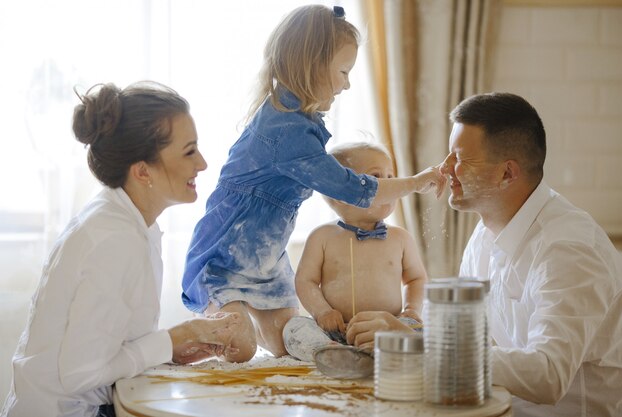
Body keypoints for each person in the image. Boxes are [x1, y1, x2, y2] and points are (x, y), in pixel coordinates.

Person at [181, 4, 445, 363]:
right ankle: (176, 343)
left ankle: (237, 318)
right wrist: (417, 181)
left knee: (286, 344)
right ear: (313, 66)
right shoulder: (285, 130)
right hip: (228, 255)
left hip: (265, 261)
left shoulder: (300, 120)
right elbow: (356, 189)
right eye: (342, 71)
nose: (347, 83)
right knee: (240, 347)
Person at [347, 92, 622, 417]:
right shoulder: (484, 234)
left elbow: (549, 375)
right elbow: (473, 341)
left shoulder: (570, 248)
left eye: (460, 158)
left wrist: (416, 344)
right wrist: (405, 329)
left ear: (507, 173)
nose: (444, 169)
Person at [1, 82, 241, 417]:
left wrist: (170, 349)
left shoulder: (127, 222)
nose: (201, 164)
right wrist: (171, 340)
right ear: (143, 171)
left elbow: (105, 349)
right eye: (189, 151)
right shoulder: (114, 239)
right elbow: (80, 374)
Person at [282, 142, 426, 361]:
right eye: (377, 178)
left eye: (391, 177)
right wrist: (322, 312)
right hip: (335, 330)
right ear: (341, 192)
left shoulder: (401, 238)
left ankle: (377, 350)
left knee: (421, 332)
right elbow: (306, 281)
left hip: (386, 327)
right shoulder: (322, 237)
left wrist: (412, 309)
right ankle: (329, 351)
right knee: (294, 328)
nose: (391, 186)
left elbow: (416, 278)